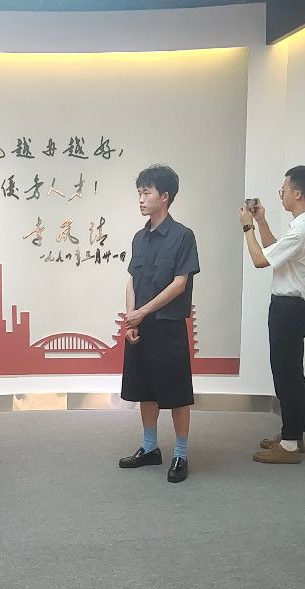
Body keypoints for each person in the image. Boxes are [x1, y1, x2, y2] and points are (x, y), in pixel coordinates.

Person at [117, 164, 201, 483]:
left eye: (146, 193)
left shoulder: (183, 236)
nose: (140, 199)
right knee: (145, 390)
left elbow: (179, 284)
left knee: (177, 393)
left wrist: (143, 312)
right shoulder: (139, 238)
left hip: (167, 326)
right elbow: (131, 280)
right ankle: (150, 447)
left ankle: (180, 453)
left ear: (164, 197)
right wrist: (132, 319)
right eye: (139, 193)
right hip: (141, 326)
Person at [238, 165, 305, 464]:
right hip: (295, 308)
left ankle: (289, 444)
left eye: (284, 190)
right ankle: (293, 435)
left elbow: (260, 260)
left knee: (286, 373)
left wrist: (247, 227)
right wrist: (261, 221)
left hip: (289, 308)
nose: (281, 194)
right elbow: (275, 251)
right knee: (290, 372)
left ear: (297, 193)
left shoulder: (303, 230)